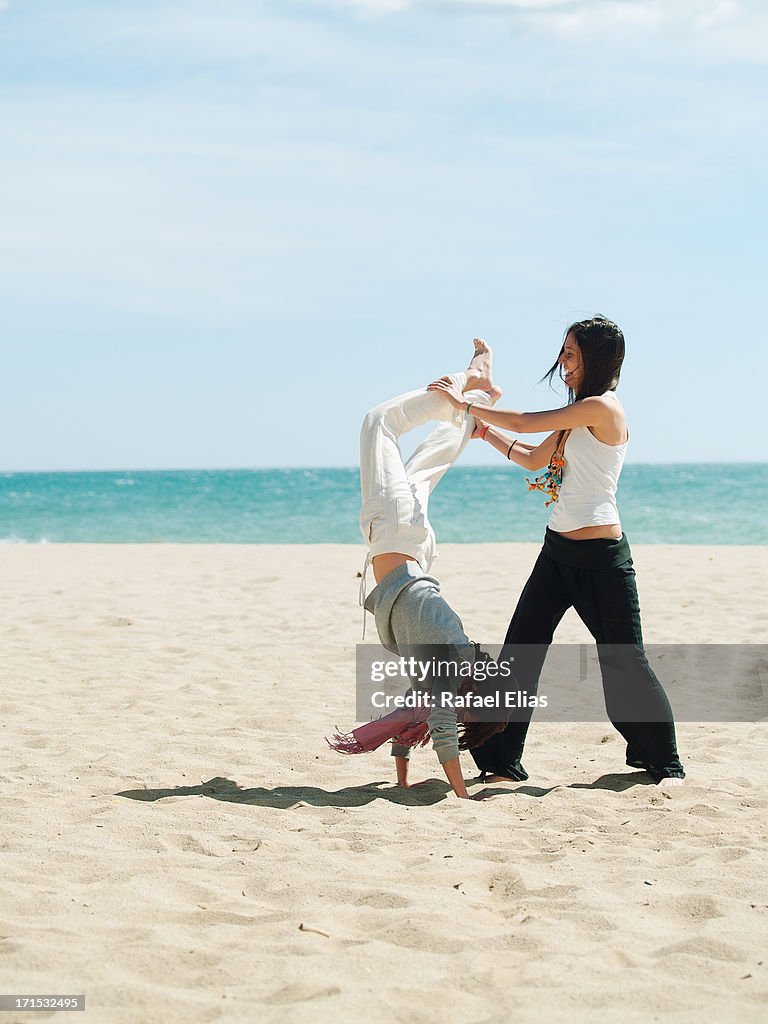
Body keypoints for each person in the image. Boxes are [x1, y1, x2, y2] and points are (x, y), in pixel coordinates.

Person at [428, 316, 686, 788]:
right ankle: (501, 761)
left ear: (596, 359)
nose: (562, 361)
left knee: (623, 660)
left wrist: (465, 405)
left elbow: (527, 421)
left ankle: (664, 763)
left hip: (602, 560)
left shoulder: (603, 409)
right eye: (563, 351)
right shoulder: (577, 414)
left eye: (571, 353)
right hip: (556, 555)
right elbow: (533, 455)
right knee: (521, 653)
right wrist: (487, 435)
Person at [330, 340, 506, 800]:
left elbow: (415, 717)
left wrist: (403, 778)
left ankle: (480, 399)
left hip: (412, 548)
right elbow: (442, 731)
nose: (458, 718)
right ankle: (463, 388)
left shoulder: (440, 668)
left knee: (430, 461)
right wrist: (462, 794)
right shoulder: (449, 663)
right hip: (396, 535)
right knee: (379, 423)